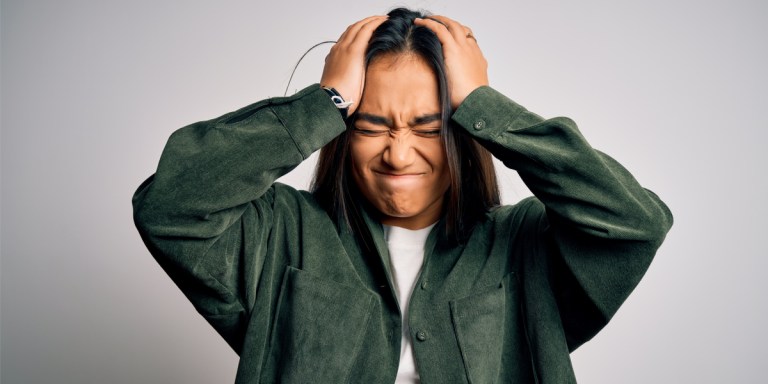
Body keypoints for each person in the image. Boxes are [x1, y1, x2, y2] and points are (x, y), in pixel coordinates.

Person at [133, 7, 673, 383]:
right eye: (369, 127)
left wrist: (483, 106)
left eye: (428, 127)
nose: (398, 153)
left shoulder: (525, 245)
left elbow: (634, 225)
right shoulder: (280, 235)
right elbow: (169, 206)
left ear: (463, 133)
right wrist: (325, 102)